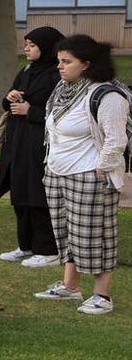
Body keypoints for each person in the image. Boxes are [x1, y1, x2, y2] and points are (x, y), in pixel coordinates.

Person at [36, 34, 126, 316]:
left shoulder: (106, 94)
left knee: (95, 236)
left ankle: (102, 296)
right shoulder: (64, 89)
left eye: (67, 62)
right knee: (66, 233)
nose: (60, 67)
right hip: (57, 172)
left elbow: (116, 139)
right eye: (59, 61)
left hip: (89, 175)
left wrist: (101, 168)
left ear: (86, 64)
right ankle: (70, 286)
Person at [0, 27, 65, 267]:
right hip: (18, 142)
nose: (26, 48)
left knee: (38, 195)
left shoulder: (56, 75)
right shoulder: (26, 70)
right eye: (26, 44)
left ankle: (48, 250)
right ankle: (26, 246)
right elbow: (7, 102)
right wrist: (11, 97)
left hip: (40, 142)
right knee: (20, 193)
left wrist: (31, 112)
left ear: (46, 47)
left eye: (32, 45)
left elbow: (62, 113)